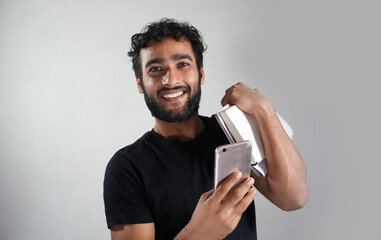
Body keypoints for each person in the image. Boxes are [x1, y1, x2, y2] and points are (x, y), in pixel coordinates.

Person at [103, 18, 309, 240]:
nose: (170, 79)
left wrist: (265, 109)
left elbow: (293, 198)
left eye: (182, 64)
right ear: (139, 83)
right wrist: (199, 233)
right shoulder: (127, 167)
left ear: (201, 73)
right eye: (155, 69)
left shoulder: (232, 135)